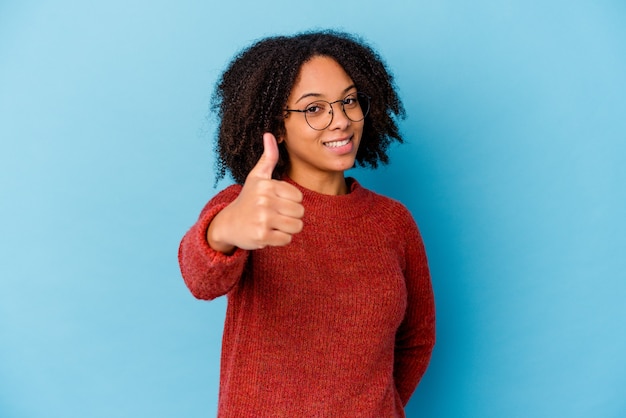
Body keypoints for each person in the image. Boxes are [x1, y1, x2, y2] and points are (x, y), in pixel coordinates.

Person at [178, 30, 435, 417]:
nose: (341, 121)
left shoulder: (393, 222)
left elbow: (416, 338)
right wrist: (226, 228)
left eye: (349, 101)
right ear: (276, 126)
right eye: (314, 109)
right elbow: (200, 277)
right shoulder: (253, 205)